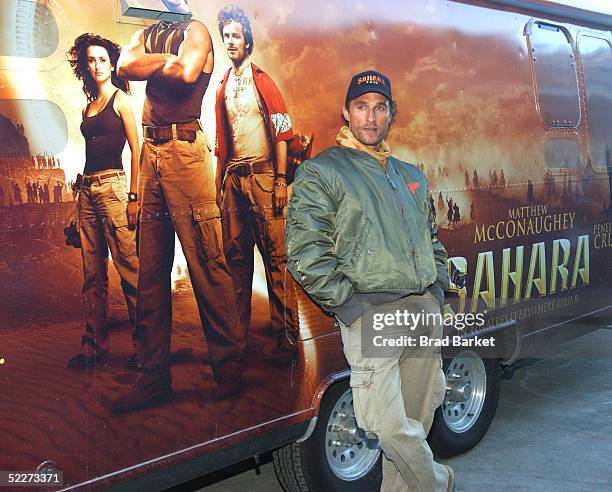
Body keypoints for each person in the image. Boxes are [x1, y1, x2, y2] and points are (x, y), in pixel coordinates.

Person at [285, 70, 454, 492]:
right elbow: (306, 251)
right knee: (384, 422)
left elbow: (430, 237)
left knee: (418, 416)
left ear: (391, 114)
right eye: (362, 107)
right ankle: (439, 482)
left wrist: (436, 289)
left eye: (380, 107)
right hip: (372, 313)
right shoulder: (323, 171)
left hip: (422, 310)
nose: (371, 117)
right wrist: (351, 309)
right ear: (346, 112)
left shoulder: (407, 172)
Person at [112, 0, 245, 413]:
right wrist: (163, 59)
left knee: (207, 263)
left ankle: (229, 371)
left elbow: (185, 72)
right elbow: (123, 68)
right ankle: (154, 379)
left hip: (185, 153)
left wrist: (151, 62)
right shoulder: (145, 34)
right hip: (150, 154)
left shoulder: (199, 31)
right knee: (151, 271)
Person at [215, 6, 298, 363]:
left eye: (236, 35)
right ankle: (237, 344)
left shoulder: (263, 80)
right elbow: (221, 144)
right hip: (233, 180)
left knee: (277, 261)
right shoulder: (222, 86)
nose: (230, 42)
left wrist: (280, 179)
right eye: (226, 36)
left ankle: (286, 340)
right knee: (236, 262)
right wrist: (217, 186)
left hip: (264, 178)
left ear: (247, 40)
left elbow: (282, 131)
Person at [66, 33, 140, 369]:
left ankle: (147, 350)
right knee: (92, 275)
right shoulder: (88, 106)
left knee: (130, 270)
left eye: (103, 60)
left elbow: (138, 150)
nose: (97, 66)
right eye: (91, 60)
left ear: (113, 64)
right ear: (86, 65)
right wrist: (77, 202)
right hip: (87, 190)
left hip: (114, 188)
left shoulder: (120, 100)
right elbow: (87, 155)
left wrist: (134, 196)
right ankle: (94, 347)